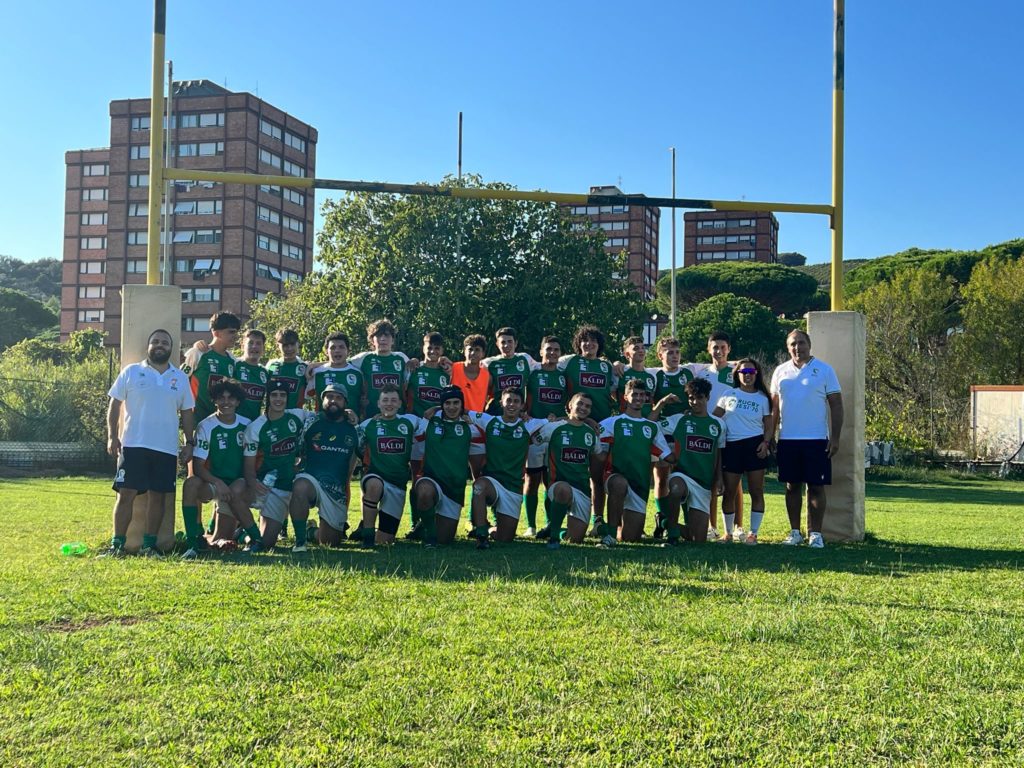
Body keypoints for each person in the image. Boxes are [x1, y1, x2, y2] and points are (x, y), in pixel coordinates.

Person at [101, 329, 195, 558]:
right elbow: (115, 405)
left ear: (171, 348)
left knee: (159, 497)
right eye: (155, 341)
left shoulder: (180, 378)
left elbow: (187, 413)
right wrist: (112, 436)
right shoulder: (131, 372)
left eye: (165, 342)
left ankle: (149, 546)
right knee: (126, 495)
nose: (160, 345)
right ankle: (117, 545)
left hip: (165, 448)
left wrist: (189, 442)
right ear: (148, 346)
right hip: (133, 445)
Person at [770, 329, 844, 548]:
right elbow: (774, 408)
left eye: (801, 343)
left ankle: (816, 534)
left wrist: (836, 437)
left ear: (809, 345)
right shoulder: (780, 371)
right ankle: (795, 532)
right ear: (787, 347)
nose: (797, 348)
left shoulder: (824, 370)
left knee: (816, 487)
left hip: (817, 439)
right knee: (792, 486)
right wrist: (771, 436)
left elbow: (836, 405)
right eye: (793, 344)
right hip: (788, 439)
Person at [180, 379, 263, 558]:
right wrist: (217, 483)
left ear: (238, 401)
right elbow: (198, 466)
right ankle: (193, 543)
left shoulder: (247, 424)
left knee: (222, 537)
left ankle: (257, 540)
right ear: (214, 401)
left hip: (237, 483)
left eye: (231, 398)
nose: (226, 402)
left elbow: (252, 461)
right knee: (190, 484)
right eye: (221, 398)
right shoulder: (206, 425)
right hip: (214, 483)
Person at [592, 379, 671, 547]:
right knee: (620, 484)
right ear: (625, 397)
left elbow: (669, 457)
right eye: (634, 394)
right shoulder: (611, 423)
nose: (638, 398)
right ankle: (609, 536)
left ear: (647, 399)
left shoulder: (652, 427)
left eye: (642, 395)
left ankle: (656, 524)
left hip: (640, 485)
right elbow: (599, 454)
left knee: (630, 538)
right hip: (615, 477)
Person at [468, 388, 549, 548]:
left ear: (522, 406)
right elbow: (461, 410)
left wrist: (589, 421)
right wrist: (434, 409)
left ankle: (491, 529)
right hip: (492, 482)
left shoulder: (529, 425)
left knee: (505, 538)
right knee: (479, 485)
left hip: (513, 486)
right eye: (508, 400)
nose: (512, 404)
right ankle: (481, 535)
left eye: (516, 401)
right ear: (501, 403)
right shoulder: (489, 421)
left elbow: (559, 420)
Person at [558, 325, 618, 536]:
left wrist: (619, 364)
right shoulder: (568, 362)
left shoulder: (606, 366)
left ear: (599, 345)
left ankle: (598, 519)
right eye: (585, 340)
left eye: (594, 341)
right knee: (573, 471)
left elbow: (615, 389)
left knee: (597, 475)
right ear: (579, 343)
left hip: (600, 427)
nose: (589, 344)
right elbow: (544, 364)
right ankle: (557, 519)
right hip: (577, 424)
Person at [652, 379, 725, 545]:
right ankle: (672, 536)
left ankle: (664, 522)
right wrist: (662, 403)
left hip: (704, 483)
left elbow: (718, 452)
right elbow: (650, 425)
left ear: (707, 397)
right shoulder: (679, 420)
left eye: (699, 397)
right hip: (682, 474)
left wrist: (719, 478)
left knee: (697, 539)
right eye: (691, 398)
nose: (694, 401)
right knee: (676, 487)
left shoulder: (718, 424)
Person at [411, 386, 485, 546]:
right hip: (432, 479)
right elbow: (415, 440)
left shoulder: (470, 427)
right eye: (447, 403)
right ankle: (429, 537)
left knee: (445, 540)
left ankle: (425, 525)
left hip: (454, 488)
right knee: (424, 492)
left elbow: (477, 460)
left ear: (462, 404)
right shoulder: (430, 421)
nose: (452, 407)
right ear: (442, 405)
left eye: (456, 402)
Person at [352, 384, 425, 547]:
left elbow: (429, 422)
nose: (389, 404)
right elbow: (352, 441)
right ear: (378, 403)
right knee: (374, 485)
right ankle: (368, 536)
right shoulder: (367, 425)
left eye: (393, 400)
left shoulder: (411, 422)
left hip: (397, 485)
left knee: (386, 541)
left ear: (400, 403)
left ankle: (368, 532)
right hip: (375, 476)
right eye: (385, 400)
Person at [289, 385, 360, 548]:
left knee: (329, 543)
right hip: (311, 479)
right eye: (329, 397)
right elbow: (297, 450)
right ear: (322, 400)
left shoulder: (354, 428)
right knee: (300, 487)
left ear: (345, 403)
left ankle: (311, 532)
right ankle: (300, 541)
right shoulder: (311, 421)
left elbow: (363, 453)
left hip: (335, 489)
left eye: (338, 397)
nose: (333, 400)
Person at [243, 381, 310, 551]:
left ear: (288, 398)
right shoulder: (256, 427)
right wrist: (253, 482)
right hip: (262, 484)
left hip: (284, 486)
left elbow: (323, 417)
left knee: (267, 543)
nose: (278, 399)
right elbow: (249, 465)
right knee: (236, 496)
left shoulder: (298, 415)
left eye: (283, 395)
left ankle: (246, 533)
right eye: (274, 395)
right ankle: (241, 530)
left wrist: (349, 414)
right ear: (268, 397)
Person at [712, 358, 773, 544]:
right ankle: (728, 532)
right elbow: (714, 419)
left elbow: (769, 425)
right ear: (737, 374)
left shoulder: (763, 398)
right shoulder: (728, 394)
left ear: (757, 374)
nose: (747, 376)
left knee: (756, 491)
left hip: (754, 446)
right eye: (743, 372)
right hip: (732, 446)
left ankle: (753, 533)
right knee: (729, 492)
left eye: (751, 373)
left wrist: (766, 442)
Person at [687, 331, 741, 539]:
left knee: (733, 481)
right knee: (710, 478)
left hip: (733, 431)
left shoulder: (736, 371)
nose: (719, 351)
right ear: (708, 349)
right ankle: (712, 525)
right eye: (715, 347)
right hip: (707, 431)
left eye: (723, 347)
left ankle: (737, 526)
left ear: (729, 349)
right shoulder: (700, 372)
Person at [531, 393, 599, 549]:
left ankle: (555, 529)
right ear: (570, 405)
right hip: (558, 485)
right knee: (563, 490)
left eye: (587, 406)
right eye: (580, 404)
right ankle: (554, 538)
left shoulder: (590, 433)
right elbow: (534, 440)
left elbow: (597, 454)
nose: (583, 408)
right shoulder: (554, 427)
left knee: (575, 540)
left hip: (582, 489)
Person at [525, 335, 569, 538]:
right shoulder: (532, 374)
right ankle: (531, 525)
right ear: (541, 351)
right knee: (532, 478)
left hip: (557, 429)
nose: (552, 353)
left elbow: (572, 404)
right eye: (548, 349)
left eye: (556, 350)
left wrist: (560, 417)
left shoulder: (563, 376)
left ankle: (551, 523)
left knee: (551, 478)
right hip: (535, 429)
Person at [180, 311, 240, 423]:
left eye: (236, 332)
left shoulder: (233, 360)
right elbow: (180, 379)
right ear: (216, 333)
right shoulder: (197, 353)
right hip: (196, 421)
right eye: (231, 332)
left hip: (221, 423)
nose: (235, 336)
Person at [350, 319, 410, 418]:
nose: (382, 339)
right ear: (372, 340)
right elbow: (338, 363)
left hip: (398, 417)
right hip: (371, 416)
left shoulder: (401, 358)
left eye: (386, 335)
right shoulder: (364, 358)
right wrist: (315, 365)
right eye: (378, 335)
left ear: (393, 339)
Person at [305, 331, 365, 418]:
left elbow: (363, 400)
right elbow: (305, 398)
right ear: (326, 351)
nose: (337, 350)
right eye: (333, 348)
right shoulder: (316, 373)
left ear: (348, 351)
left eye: (341, 347)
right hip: (324, 425)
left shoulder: (358, 373)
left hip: (351, 426)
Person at [482, 327, 537, 414]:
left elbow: (543, 367)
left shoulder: (525, 359)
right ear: (497, 344)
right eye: (503, 342)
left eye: (510, 341)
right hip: (497, 413)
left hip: (518, 414)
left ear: (516, 343)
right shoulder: (489, 363)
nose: (506, 345)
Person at [266, 328, 308, 410]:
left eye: (292, 344)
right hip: (273, 415)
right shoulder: (272, 365)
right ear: (278, 346)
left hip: (295, 415)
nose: (289, 349)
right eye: (285, 345)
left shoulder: (305, 367)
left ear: (298, 344)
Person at [233, 329, 270, 422]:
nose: (254, 346)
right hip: (232, 424)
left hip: (253, 425)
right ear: (242, 346)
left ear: (263, 348)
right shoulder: (234, 365)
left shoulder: (265, 372)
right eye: (250, 343)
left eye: (258, 343)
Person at [450, 334, 491, 414]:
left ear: (483, 354)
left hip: (476, 422)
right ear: (464, 351)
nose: (473, 353)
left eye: (477, 350)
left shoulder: (487, 376)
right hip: (454, 420)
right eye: (470, 349)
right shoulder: (453, 369)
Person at [616, 336, 657, 416]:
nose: (641, 351)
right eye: (636, 348)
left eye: (643, 348)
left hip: (646, 422)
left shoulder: (652, 375)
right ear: (627, 354)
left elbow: (652, 400)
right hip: (626, 421)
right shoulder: (621, 372)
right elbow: (613, 395)